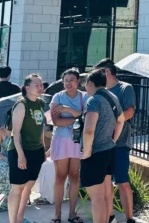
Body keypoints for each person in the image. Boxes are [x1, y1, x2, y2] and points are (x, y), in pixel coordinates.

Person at [95, 58, 136, 223]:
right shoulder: (100, 91)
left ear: (106, 72)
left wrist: (112, 123)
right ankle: (110, 215)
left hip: (119, 143)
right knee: (106, 182)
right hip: (102, 144)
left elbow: (130, 112)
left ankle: (130, 218)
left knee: (122, 181)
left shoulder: (125, 88)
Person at [81, 69, 125, 223]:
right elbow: (121, 120)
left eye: (85, 83)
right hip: (109, 150)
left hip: (95, 152)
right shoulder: (112, 97)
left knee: (96, 198)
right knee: (106, 194)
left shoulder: (94, 101)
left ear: (90, 83)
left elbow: (88, 130)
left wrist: (86, 152)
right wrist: (113, 139)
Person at [7, 74, 47, 223]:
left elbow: (41, 128)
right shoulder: (21, 104)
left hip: (36, 150)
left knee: (28, 187)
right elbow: (15, 133)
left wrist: (43, 148)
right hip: (20, 150)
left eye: (41, 84)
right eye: (36, 85)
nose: (40, 87)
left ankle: (20, 218)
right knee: (17, 188)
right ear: (27, 88)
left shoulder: (41, 103)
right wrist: (21, 155)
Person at [50, 69, 88, 223]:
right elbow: (56, 121)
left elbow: (86, 116)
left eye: (72, 80)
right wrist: (75, 117)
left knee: (74, 176)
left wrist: (66, 110)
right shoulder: (57, 96)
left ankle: (72, 214)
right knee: (60, 177)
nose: (68, 83)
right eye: (66, 80)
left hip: (77, 142)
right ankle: (57, 215)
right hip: (61, 140)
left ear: (78, 81)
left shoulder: (84, 96)